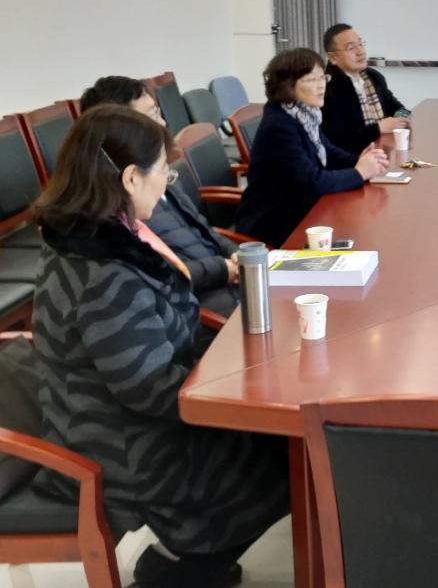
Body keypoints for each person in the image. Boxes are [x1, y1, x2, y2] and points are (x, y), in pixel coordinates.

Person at [31, 105, 289, 588]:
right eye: (163, 173)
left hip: (119, 418)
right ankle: (183, 570)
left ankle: (192, 562)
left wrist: (235, 368)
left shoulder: (93, 233)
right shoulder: (104, 273)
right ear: (131, 178)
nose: (167, 186)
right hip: (125, 445)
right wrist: (240, 386)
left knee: (276, 441)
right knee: (280, 454)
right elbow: (150, 389)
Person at [80, 76, 240, 317]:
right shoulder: (123, 212)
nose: (163, 122)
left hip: (227, 283)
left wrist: (235, 253)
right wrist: (223, 269)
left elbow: (205, 231)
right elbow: (163, 276)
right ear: (124, 129)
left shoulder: (160, 177)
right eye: (152, 115)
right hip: (207, 305)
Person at [236, 48, 389, 247]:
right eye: (311, 80)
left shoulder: (304, 115)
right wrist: (359, 173)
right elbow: (312, 182)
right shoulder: (279, 126)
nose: (321, 85)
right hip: (277, 224)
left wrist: (364, 161)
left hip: (304, 210)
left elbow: (328, 152)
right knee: (363, 237)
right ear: (287, 86)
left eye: (322, 77)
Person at [321, 23, 411, 154]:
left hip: (383, 150)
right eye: (351, 47)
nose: (360, 52)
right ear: (333, 58)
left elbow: (395, 106)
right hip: (352, 159)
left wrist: (402, 117)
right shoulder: (327, 88)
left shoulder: (373, 77)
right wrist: (378, 128)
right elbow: (338, 138)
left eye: (360, 44)